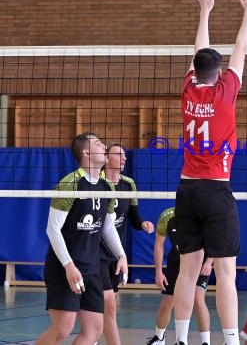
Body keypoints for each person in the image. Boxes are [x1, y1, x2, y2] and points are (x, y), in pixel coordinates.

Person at [173, 0, 247, 345]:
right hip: (216, 190)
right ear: (219, 72)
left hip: (187, 188)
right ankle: (231, 341)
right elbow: (241, 47)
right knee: (226, 272)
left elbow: (201, 50)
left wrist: (204, 11)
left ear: (195, 71)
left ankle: (179, 339)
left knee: (187, 272)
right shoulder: (225, 95)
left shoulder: (188, 90)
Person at [37, 132, 129, 345]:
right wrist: (69, 266)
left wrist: (121, 255)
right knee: (62, 329)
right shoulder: (70, 184)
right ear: (86, 153)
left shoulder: (107, 187)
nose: (104, 146)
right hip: (64, 268)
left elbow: (107, 226)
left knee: (94, 330)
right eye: (99, 144)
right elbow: (53, 230)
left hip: (92, 268)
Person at [99, 142, 155, 345]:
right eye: (118, 154)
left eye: (125, 155)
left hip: (116, 252)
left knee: (108, 303)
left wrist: (143, 224)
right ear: (107, 158)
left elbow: (133, 216)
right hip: (96, 252)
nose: (124, 158)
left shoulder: (128, 184)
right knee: (105, 303)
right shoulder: (97, 182)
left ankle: (92, 337)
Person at [146, 207, 214, 345]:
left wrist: (209, 262)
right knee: (167, 301)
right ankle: (159, 338)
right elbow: (159, 244)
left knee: (197, 298)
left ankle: (206, 342)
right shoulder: (167, 216)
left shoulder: (203, 214)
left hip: (199, 262)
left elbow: (214, 240)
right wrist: (158, 271)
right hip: (176, 262)